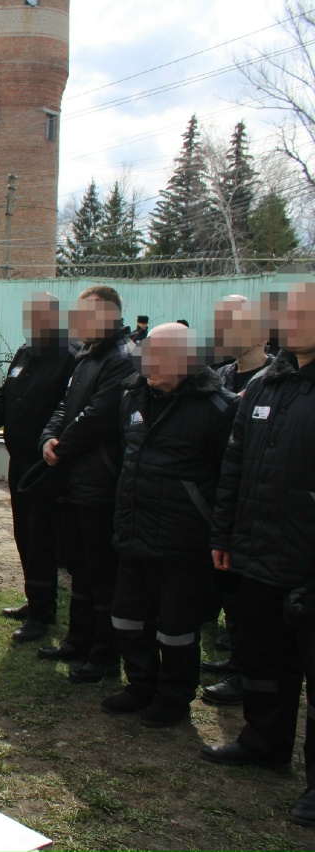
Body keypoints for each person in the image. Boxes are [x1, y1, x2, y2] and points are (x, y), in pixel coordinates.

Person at [202, 281, 315, 827]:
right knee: (264, 661)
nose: (288, 321)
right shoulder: (269, 385)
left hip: (306, 561)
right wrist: (223, 536)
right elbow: (235, 468)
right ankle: (263, 742)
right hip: (258, 552)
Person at [105, 323, 239, 727]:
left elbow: (230, 477)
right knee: (126, 618)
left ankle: (174, 697)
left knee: (176, 631)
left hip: (184, 542)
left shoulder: (219, 407)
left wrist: (219, 532)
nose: (150, 362)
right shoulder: (131, 396)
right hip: (133, 533)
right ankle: (140, 685)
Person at [38, 285, 137, 683]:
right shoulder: (87, 355)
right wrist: (49, 437)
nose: (78, 323)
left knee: (102, 575)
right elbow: (66, 405)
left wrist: (62, 447)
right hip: (75, 482)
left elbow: (99, 415)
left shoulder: (123, 358)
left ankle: (104, 655)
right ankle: (78, 639)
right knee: (78, 568)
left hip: (101, 481)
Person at [0, 293, 75, 642]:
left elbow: (67, 408)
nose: (32, 324)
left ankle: (43, 614)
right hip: (20, 461)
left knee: (41, 537)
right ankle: (35, 600)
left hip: (47, 465)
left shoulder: (69, 357)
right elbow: (3, 398)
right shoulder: (25, 352)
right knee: (23, 534)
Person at [201, 295, 275, 706]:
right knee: (226, 585)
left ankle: (245, 672)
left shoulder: (271, 379)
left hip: (253, 502)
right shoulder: (220, 374)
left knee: (249, 597)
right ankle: (234, 657)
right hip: (217, 495)